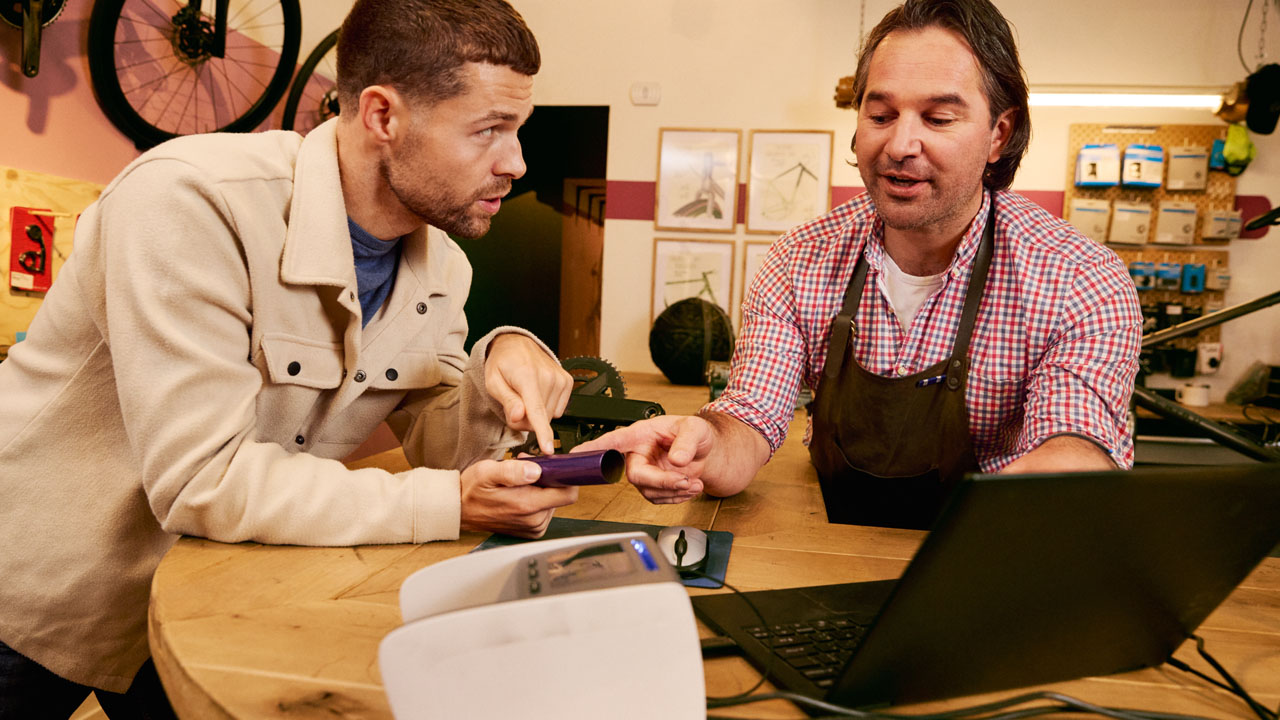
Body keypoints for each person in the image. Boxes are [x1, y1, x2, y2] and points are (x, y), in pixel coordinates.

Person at [0, 0, 577, 716]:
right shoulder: (190, 198)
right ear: (383, 116)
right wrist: (448, 504)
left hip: (195, 594)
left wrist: (501, 361)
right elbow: (205, 480)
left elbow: (439, 434)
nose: (516, 163)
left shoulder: (443, 266)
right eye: (489, 129)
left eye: (517, 129)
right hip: (31, 588)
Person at [581, 0, 1141, 529]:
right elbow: (749, 419)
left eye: (938, 118)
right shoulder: (800, 259)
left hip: (987, 547)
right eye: (880, 114)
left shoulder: (1079, 279)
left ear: (999, 134)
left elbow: (1076, 440)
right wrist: (699, 446)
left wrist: (1056, 478)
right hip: (827, 542)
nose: (899, 144)